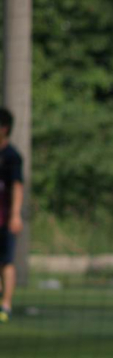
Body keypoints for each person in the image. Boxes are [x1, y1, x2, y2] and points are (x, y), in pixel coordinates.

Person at [0, 108, 24, 323]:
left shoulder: (12, 157)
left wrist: (15, 215)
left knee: (6, 261)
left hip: (4, 219)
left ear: (4, 128)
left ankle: (5, 305)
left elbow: (17, 186)